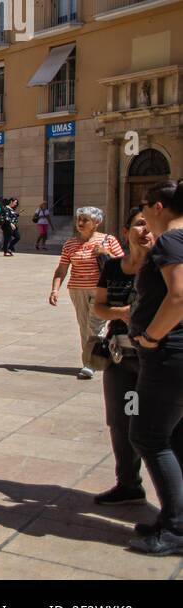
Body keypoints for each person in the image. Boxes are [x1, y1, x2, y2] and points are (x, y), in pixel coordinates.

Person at [126, 180, 183, 555]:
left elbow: (179, 297)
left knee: (147, 436)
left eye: (144, 206)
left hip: (169, 356)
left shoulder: (170, 242)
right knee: (175, 436)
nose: (142, 213)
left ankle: (176, 528)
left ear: (159, 207)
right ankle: (173, 518)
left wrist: (149, 337)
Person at [91, 207, 153, 507]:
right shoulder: (114, 268)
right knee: (121, 422)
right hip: (119, 358)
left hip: (153, 360)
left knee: (155, 427)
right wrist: (123, 314)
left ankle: (174, 505)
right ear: (125, 232)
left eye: (150, 225)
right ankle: (128, 484)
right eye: (139, 225)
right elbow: (98, 307)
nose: (146, 231)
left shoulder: (164, 267)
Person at [50, 205, 123, 380]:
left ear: (96, 223)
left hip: (101, 290)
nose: (80, 223)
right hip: (77, 289)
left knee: (95, 326)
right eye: (79, 219)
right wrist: (55, 289)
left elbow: (123, 264)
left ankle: (91, 363)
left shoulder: (108, 240)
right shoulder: (70, 244)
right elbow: (62, 269)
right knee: (84, 326)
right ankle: (95, 357)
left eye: (85, 220)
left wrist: (107, 253)